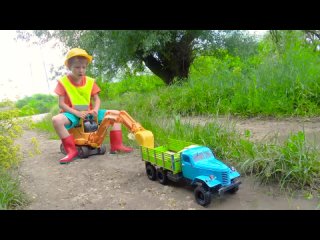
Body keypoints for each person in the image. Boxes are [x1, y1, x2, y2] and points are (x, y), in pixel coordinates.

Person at [52, 48, 133, 164]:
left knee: (116, 114)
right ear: (69, 66)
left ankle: (117, 146)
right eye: (77, 67)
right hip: (71, 113)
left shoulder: (90, 81)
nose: (81, 70)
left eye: (83, 67)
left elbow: (97, 99)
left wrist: (95, 110)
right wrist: (76, 113)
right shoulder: (63, 82)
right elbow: (61, 104)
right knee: (56, 120)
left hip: (89, 113)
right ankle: (71, 150)